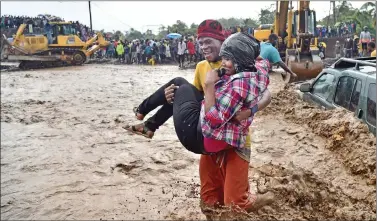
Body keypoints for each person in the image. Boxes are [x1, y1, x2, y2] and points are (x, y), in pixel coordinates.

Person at [124, 19, 274, 219]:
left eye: (208, 41)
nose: (203, 46)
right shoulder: (202, 67)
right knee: (209, 202)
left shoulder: (241, 59)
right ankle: (149, 124)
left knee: (235, 205)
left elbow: (267, 93)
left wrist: (251, 110)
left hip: (235, 142)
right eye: (200, 42)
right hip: (212, 139)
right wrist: (172, 97)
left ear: (224, 42)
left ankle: (269, 199)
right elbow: (195, 102)